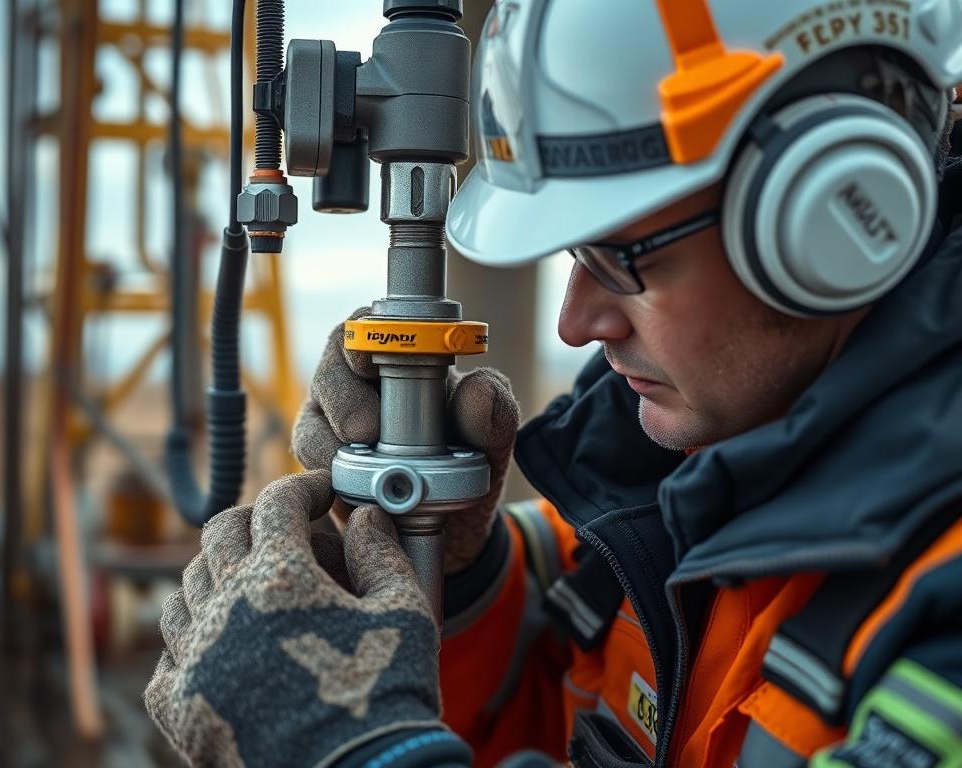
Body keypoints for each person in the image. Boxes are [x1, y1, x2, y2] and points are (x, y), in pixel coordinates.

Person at [144, 2, 962, 766]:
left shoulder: (941, 615)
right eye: (574, 255)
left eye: (620, 257)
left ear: (838, 217)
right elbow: (560, 704)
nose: (576, 323)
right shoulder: (674, 483)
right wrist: (466, 583)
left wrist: (356, 752)